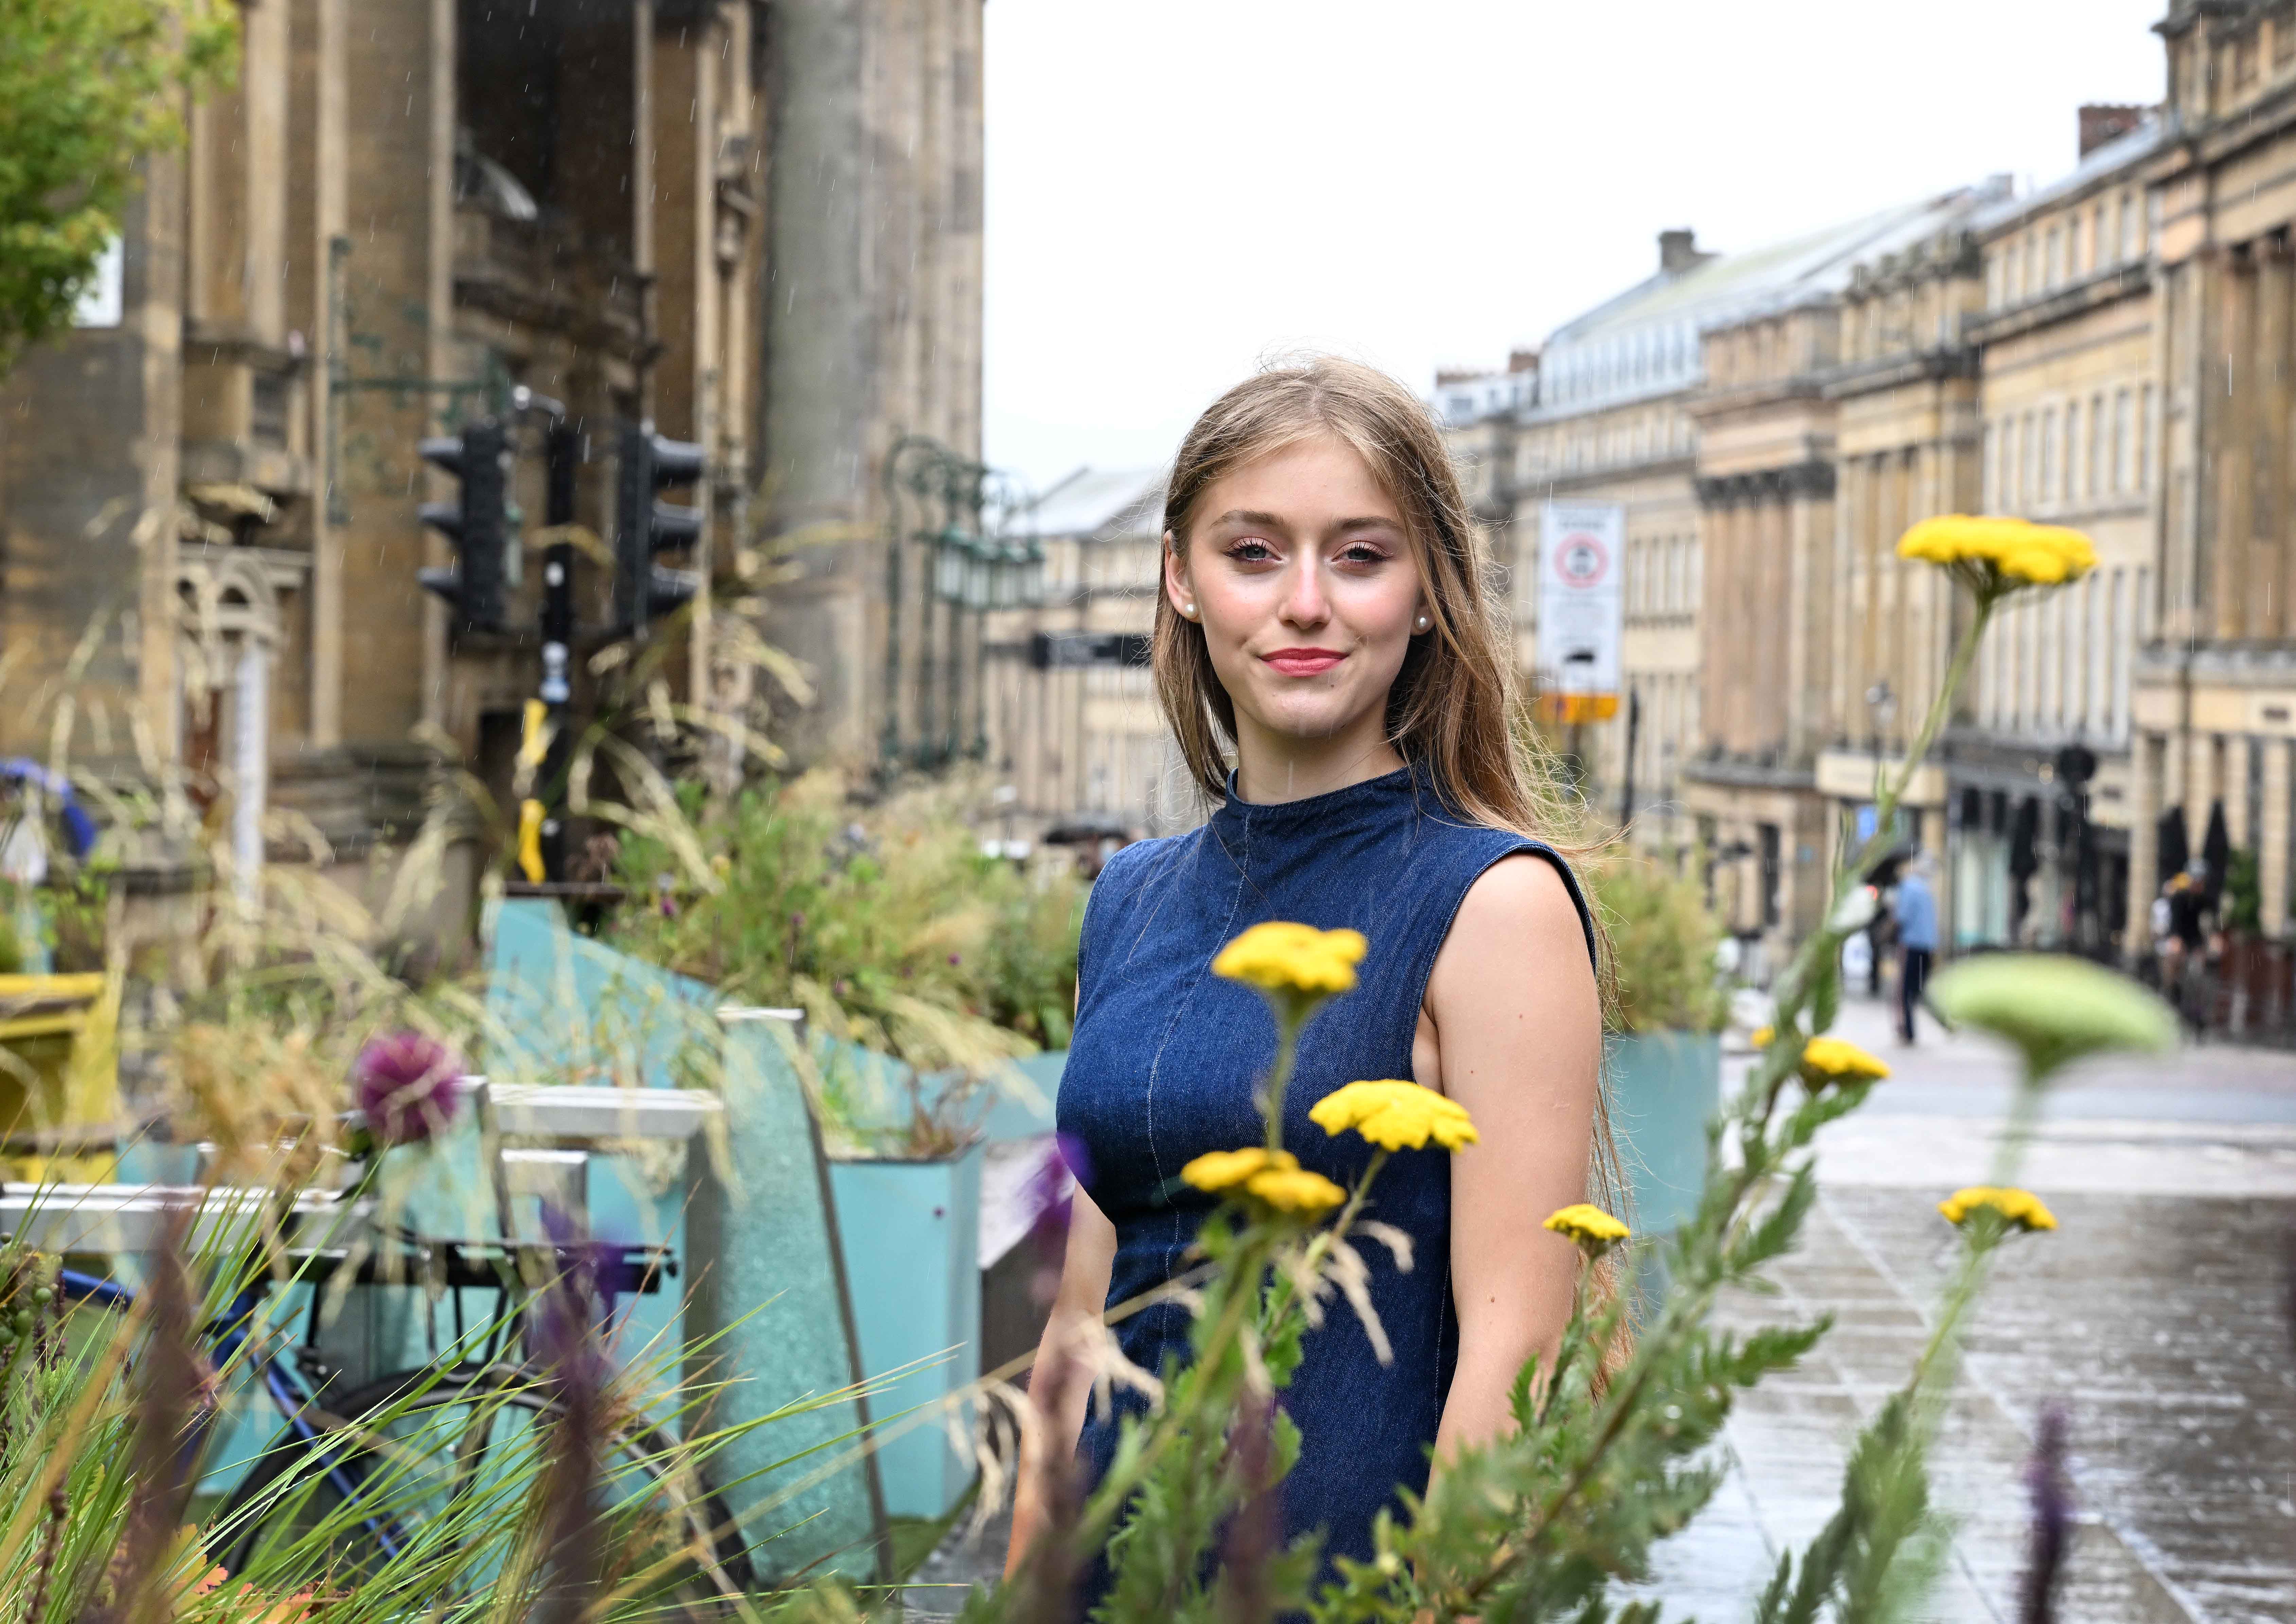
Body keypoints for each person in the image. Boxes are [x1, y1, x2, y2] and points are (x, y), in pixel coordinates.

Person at [1005, 358, 1612, 1593]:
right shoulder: (1129, 896)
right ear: (1180, 579)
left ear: (1428, 593)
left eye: (1358, 555)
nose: (1304, 604)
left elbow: (1516, 1355)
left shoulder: (1491, 903)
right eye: (1253, 551)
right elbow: (1077, 1336)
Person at [1894, 854, 1938, 1044]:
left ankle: (1908, 1030)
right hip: (1927, 946)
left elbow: (1902, 917)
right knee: (1920, 988)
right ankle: (1942, 1022)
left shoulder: (1909, 887)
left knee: (1905, 991)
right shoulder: (1926, 891)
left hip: (1911, 944)